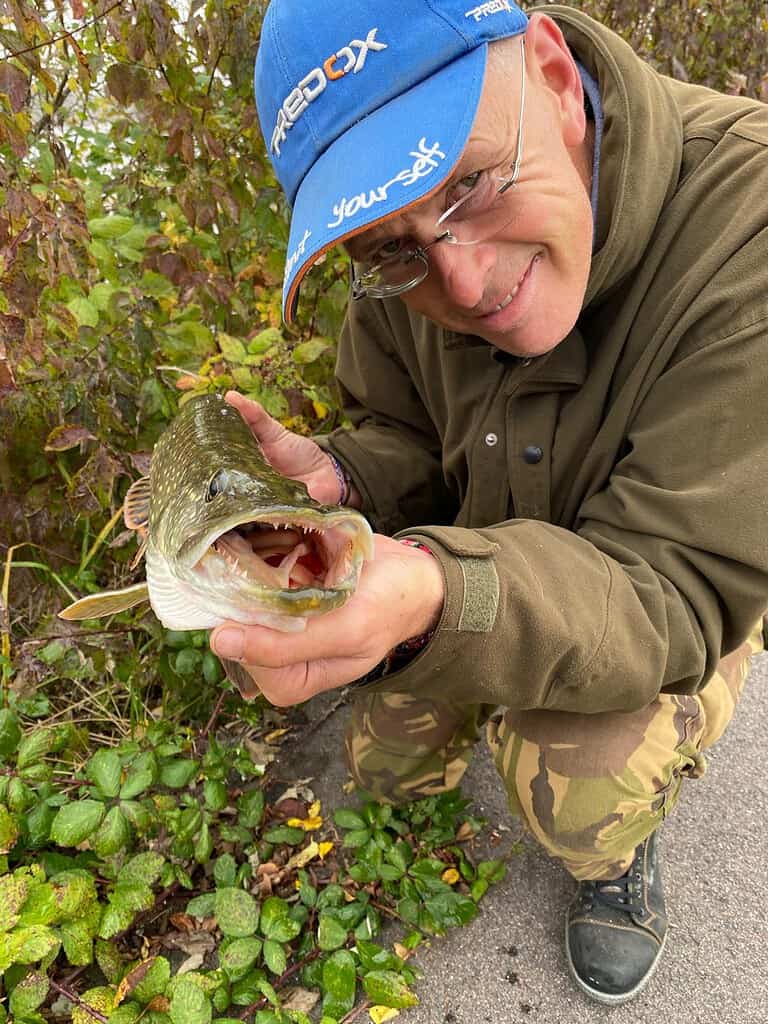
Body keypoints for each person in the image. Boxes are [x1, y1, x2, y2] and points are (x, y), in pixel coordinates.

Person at [210, 0, 768, 1005]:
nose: (461, 281)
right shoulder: (405, 264)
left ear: (554, 76)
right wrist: (341, 479)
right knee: (383, 758)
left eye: (467, 182)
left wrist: (432, 596)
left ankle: (612, 863)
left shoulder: (750, 228)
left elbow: (674, 586)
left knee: (573, 776)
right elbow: (407, 434)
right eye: (391, 245)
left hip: (658, 570)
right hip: (486, 550)